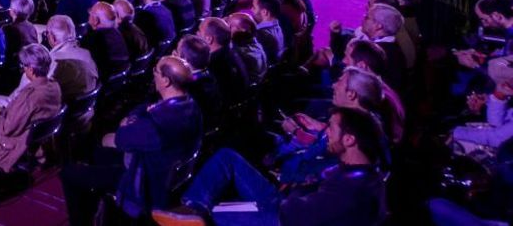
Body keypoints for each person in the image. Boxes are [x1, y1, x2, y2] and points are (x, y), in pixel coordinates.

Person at [152, 107, 387, 226]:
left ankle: (196, 217)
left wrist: (293, 192)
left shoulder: (352, 185)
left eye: (332, 129)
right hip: (285, 199)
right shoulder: (355, 169)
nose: (326, 132)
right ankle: (193, 207)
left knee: (213, 216)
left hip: (281, 217)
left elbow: (299, 214)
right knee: (227, 158)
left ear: (350, 139)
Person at [61, 57, 202, 224]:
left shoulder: (158, 124)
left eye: (155, 70)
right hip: (160, 168)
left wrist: (132, 122)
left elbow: (119, 137)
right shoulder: (191, 107)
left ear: (165, 80)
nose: (153, 73)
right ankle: (99, 208)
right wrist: (141, 117)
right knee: (96, 153)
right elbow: (141, 112)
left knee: (68, 173)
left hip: (143, 181)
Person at [82, 1, 130, 78]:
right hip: (121, 82)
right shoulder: (120, 34)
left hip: (105, 84)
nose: (88, 18)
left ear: (95, 20)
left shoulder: (92, 39)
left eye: (90, 14)